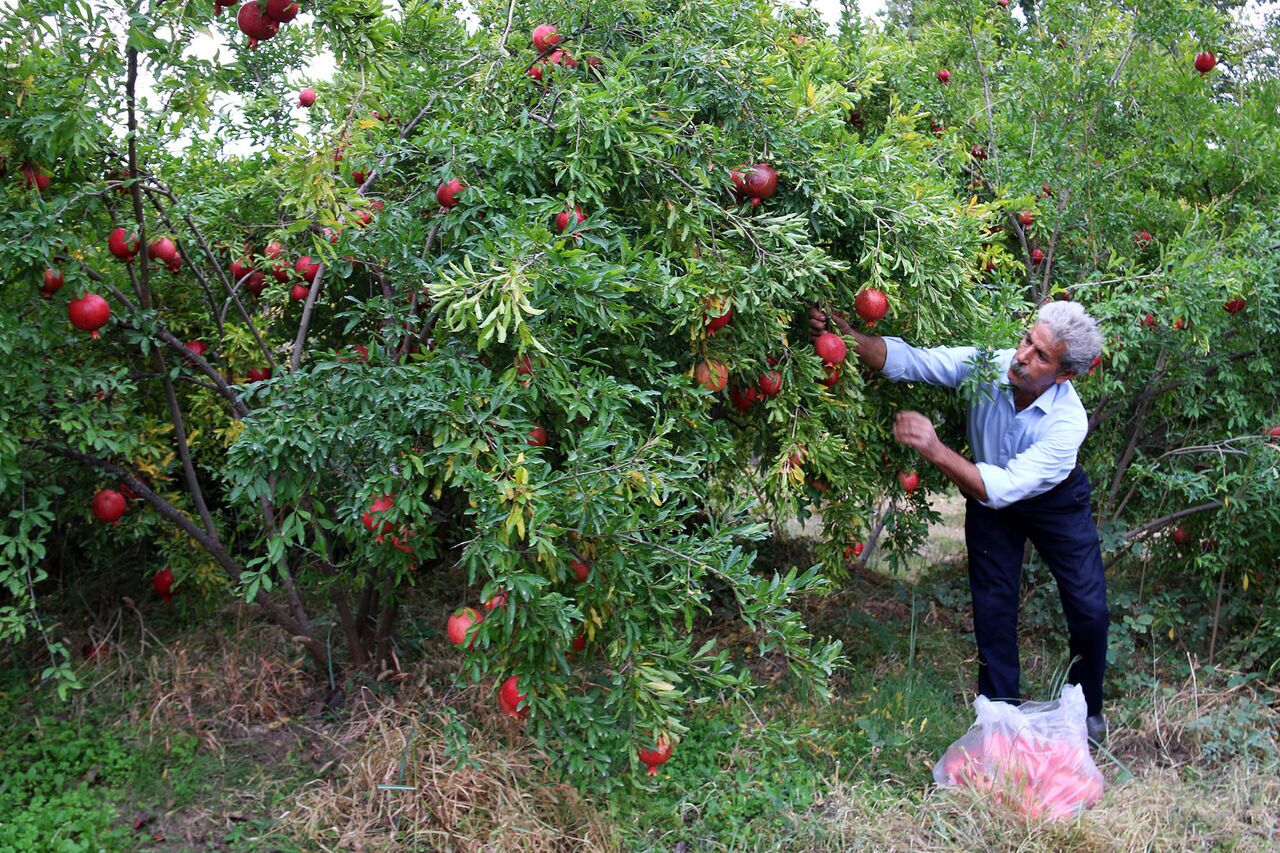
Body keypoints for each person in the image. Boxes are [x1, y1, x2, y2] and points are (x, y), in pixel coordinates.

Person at [808, 301, 1110, 743]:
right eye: (1027, 340)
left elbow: (1003, 488)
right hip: (986, 496)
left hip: (1053, 503)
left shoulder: (1068, 423)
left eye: (1041, 356)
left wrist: (934, 449)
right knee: (992, 607)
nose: (1022, 355)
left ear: (1064, 375)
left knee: (1089, 609)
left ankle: (1087, 709)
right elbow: (915, 360)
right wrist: (849, 338)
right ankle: (998, 718)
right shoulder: (989, 363)